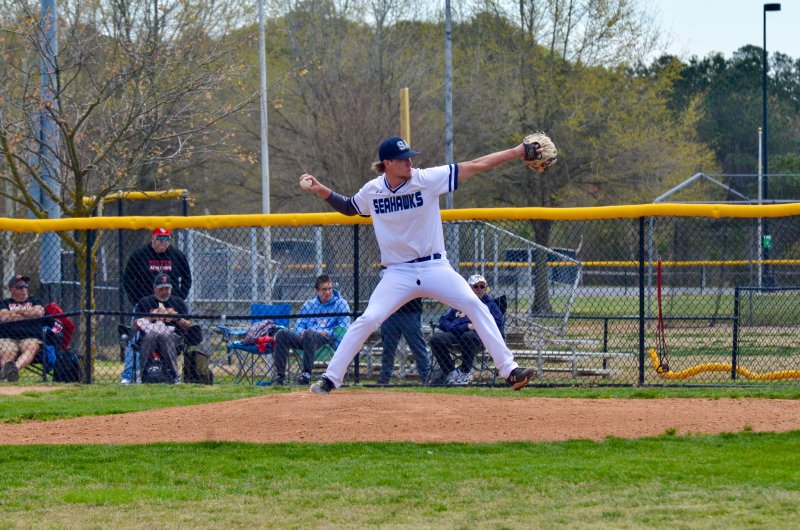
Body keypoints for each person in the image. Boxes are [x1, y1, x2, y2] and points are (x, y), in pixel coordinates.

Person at [299, 135, 536, 394]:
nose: (409, 162)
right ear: (387, 163)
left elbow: (476, 165)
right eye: (403, 159)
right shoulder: (372, 190)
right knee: (368, 319)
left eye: (410, 157)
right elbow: (349, 207)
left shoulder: (425, 179)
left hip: (435, 267)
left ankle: (510, 371)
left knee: (474, 305)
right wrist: (322, 190)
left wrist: (517, 151)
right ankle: (331, 379)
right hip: (397, 273)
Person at [272, 274, 350, 385]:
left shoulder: (341, 304)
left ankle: (306, 375)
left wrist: (327, 332)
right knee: (281, 334)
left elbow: (344, 328)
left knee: (310, 333)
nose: (328, 292)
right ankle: (280, 376)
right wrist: (300, 332)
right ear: (316, 290)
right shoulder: (309, 305)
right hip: (306, 339)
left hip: (327, 340)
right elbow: (299, 325)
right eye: (324, 289)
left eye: (329, 289)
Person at [430, 275, 503, 386]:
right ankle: (452, 373)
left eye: (482, 286)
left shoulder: (490, 304)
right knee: (436, 339)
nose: (479, 289)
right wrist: (460, 327)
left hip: (479, 337)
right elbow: (444, 320)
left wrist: (480, 325)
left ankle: (465, 372)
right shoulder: (460, 302)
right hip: (456, 334)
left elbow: (498, 323)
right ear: (468, 288)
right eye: (476, 286)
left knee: (468, 336)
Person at [131, 273, 194, 384]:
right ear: (154, 288)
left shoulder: (178, 302)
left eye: (167, 288)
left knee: (164, 334)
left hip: (173, 338)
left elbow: (189, 325)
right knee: (153, 333)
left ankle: (174, 375)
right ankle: (142, 374)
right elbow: (134, 326)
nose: (165, 291)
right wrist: (150, 317)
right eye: (161, 289)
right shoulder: (145, 302)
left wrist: (176, 317)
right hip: (148, 337)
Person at [123, 228, 192, 308]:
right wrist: (136, 300)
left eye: (166, 238)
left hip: (170, 304)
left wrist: (179, 299)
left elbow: (187, 279)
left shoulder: (177, 255)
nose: (163, 242)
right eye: (160, 238)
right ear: (153, 238)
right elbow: (128, 279)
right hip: (145, 303)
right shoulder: (139, 255)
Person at [0, 274, 45, 382]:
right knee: (7, 351)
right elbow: (3, 316)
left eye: (25, 286)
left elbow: (38, 312)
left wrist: (13, 313)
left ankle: (13, 370)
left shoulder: (36, 300)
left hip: (31, 337)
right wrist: (29, 312)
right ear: (11, 289)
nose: (24, 289)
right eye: (19, 287)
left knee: (31, 347)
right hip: (8, 337)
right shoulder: (4, 303)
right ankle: (6, 373)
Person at [377, 298, 430, 385]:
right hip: (390, 313)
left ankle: (426, 377)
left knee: (418, 347)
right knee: (388, 349)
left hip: (411, 311)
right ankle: (384, 378)